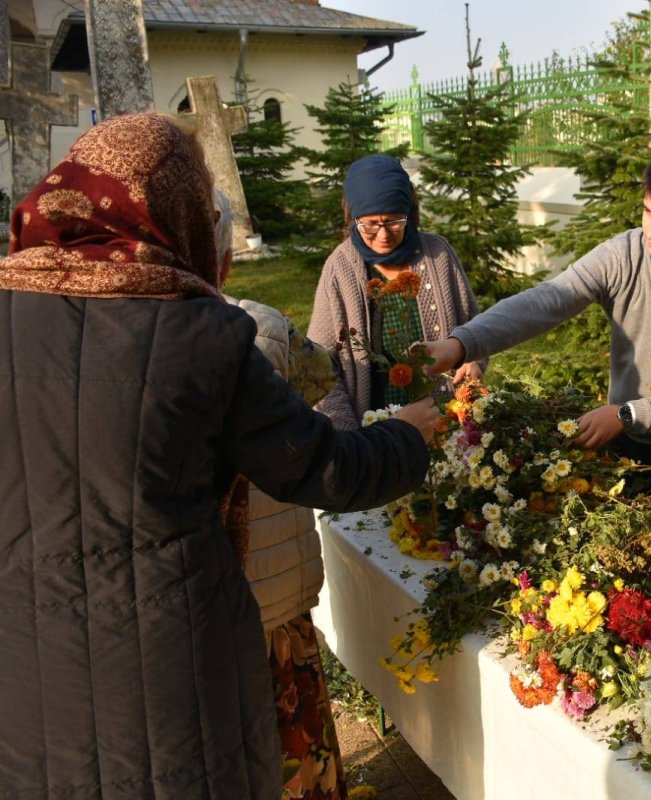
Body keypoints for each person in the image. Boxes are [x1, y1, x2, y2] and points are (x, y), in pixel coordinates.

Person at [0, 112, 439, 797]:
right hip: (170, 666)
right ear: (173, 211)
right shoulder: (202, 331)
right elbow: (320, 466)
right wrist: (411, 434)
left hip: (24, 664)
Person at [419, 144, 651, 513]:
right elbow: (548, 300)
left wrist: (627, 413)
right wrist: (462, 343)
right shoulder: (624, 253)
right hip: (623, 446)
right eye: (648, 212)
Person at [216, 190, 347, 799]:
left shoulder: (129, 343)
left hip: (206, 611)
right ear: (223, 260)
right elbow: (321, 381)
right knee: (296, 744)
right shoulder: (263, 327)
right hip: (276, 598)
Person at [308, 154, 486, 430]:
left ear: (410, 213)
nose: (383, 234)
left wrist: (472, 359)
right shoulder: (339, 269)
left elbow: (476, 327)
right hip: (373, 437)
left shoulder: (438, 255)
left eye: (394, 221)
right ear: (353, 217)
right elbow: (316, 367)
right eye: (370, 224)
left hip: (444, 425)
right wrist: (350, 436)